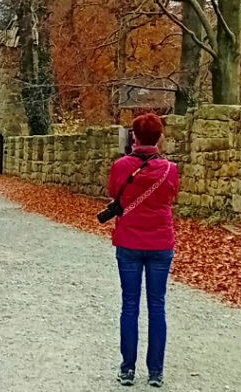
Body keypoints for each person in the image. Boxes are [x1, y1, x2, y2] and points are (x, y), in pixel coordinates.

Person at [108, 112, 179, 388]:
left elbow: (115, 193)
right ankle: (156, 372)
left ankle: (127, 369)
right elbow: (171, 195)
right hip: (161, 243)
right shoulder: (170, 169)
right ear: (159, 137)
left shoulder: (121, 166)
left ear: (134, 137)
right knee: (157, 305)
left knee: (130, 305)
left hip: (129, 241)